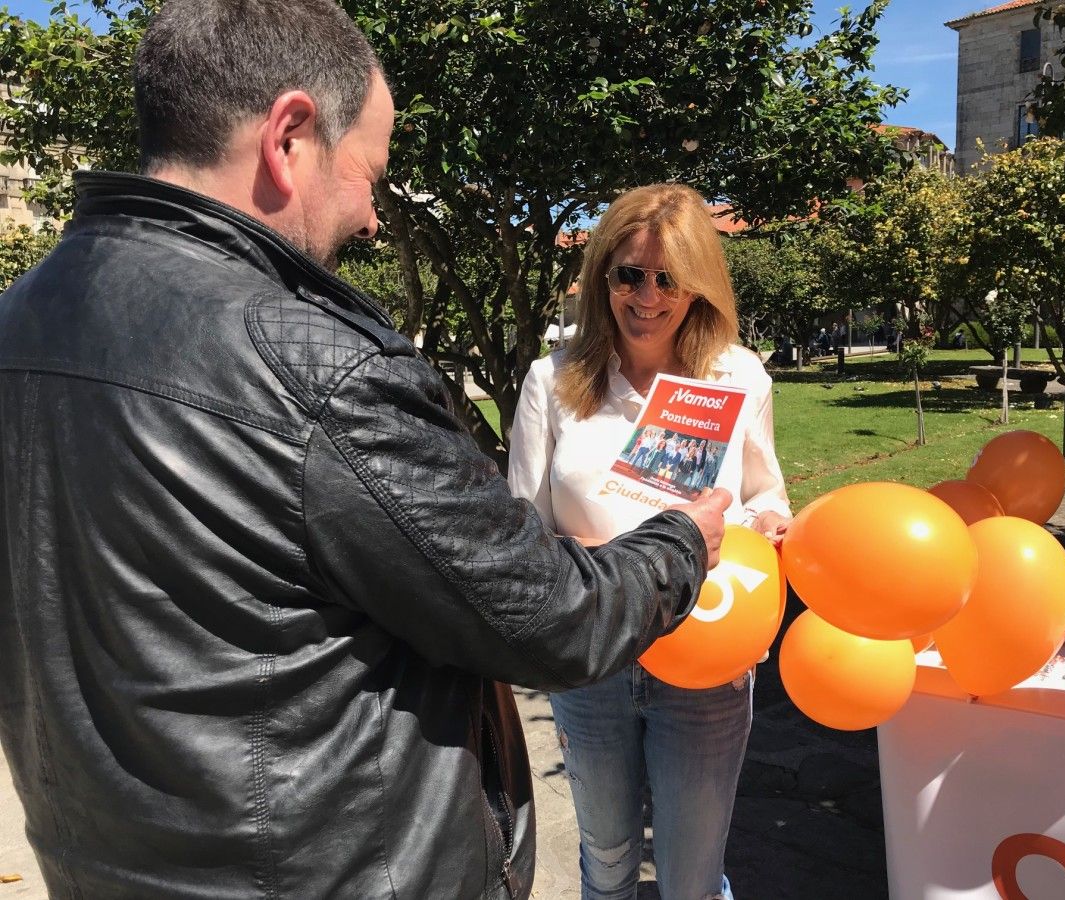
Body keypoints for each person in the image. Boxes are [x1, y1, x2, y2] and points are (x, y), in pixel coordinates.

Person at [0, 3, 732, 898]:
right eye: (370, 174)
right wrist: (680, 541)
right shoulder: (314, 367)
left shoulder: (18, 321)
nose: (374, 217)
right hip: (333, 870)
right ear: (291, 136)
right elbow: (548, 617)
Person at [508, 183, 792, 900]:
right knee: (605, 864)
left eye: (669, 278)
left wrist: (769, 527)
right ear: (602, 274)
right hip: (594, 662)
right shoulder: (555, 380)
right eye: (629, 274)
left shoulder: (737, 376)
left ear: (699, 285)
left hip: (708, 662)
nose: (647, 296)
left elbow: (765, 497)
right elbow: (522, 528)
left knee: (691, 877)